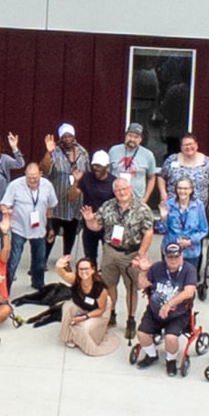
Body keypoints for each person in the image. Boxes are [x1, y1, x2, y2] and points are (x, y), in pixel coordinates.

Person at [80, 178, 155, 340]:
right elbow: (96, 227)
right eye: (118, 190)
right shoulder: (107, 206)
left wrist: (141, 255)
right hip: (111, 252)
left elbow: (148, 233)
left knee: (131, 289)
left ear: (130, 188)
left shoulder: (142, 209)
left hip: (132, 254)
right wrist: (88, 220)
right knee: (109, 286)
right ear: (114, 192)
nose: (122, 192)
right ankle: (111, 314)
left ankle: (131, 320)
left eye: (124, 189)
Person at [131, 243, 198, 376]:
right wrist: (143, 271)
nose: (173, 260)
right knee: (141, 334)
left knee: (171, 338)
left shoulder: (189, 270)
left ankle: (170, 360)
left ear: (182, 256)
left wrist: (169, 305)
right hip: (155, 311)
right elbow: (141, 285)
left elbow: (189, 292)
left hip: (178, 314)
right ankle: (151, 355)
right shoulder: (156, 268)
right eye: (170, 257)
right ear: (165, 257)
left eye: (176, 257)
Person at [0, 162, 57, 292]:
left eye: (35, 177)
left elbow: (50, 207)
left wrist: (51, 227)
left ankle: (38, 286)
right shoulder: (15, 185)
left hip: (39, 229)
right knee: (13, 260)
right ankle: (5, 290)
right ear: (25, 174)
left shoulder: (47, 186)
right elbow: (4, 204)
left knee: (40, 261)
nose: (32, 180)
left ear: (41, 174)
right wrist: (6, 211)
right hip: (19, 228)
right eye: (29, 177)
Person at [40, 123, 90, 261]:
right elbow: (43, 170)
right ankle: (42, 261)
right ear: (60, 138)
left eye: (70, 135)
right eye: (64, 136)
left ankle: (66, 258)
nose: (67, 139)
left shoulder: (83, 152)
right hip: (57, 202)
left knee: (71, 232)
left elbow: (88, 174)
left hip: (75, 202)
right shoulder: (54, 151)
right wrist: (48, 152)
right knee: (51, 232)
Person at [53, 255, 119, 356]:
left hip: (99, 311)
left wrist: (84, 317)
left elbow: (101, 309)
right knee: (67, 307)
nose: (84, 272)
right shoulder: (75, 279)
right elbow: (63, 274)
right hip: (82, 304)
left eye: (86, 269)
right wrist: (59, 267)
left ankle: (87, 342)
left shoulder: (100, 288)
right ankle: (70, 337)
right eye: (81, 269)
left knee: (84, 327)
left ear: (93, 270)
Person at [70, 150, 116, 264]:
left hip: (107, 224)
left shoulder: (113, 182)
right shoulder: (86, 177)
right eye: (94, 165)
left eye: (99, 166)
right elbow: (72, 197)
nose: (96, 168)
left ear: (107, 166)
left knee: (109, 256)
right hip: (89, 222)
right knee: (90, 256)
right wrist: (76, 181)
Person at [157, 132, 209, 210]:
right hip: (174, 207)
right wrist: (163, 193)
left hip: (197, 209)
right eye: (185, 145)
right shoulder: (171, 160)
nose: (189, 147)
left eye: (191, 144)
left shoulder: (208, 163)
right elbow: (161, 177)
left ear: (196, 145)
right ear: (181, 147)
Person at [159, 176, 209, 268]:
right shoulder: (169, 204)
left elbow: (204, 230)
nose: (182, 191)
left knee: (189, 279)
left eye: (185, 188)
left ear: (191, 190)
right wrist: (163, 218)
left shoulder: (198, 205)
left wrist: (190, 241)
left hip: (191, 250)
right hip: (171, 248)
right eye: (180, 188)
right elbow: (162, 230)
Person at [108, 123, 157, 205]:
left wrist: (145, 199)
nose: (132, 139)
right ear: (126, 135)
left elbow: (151, 178)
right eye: (130, 136)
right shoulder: (113, 151)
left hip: (137, 201)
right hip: (114, 199)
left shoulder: (148, 155)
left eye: (136, 137)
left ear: (141, 139)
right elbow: (107, 173)